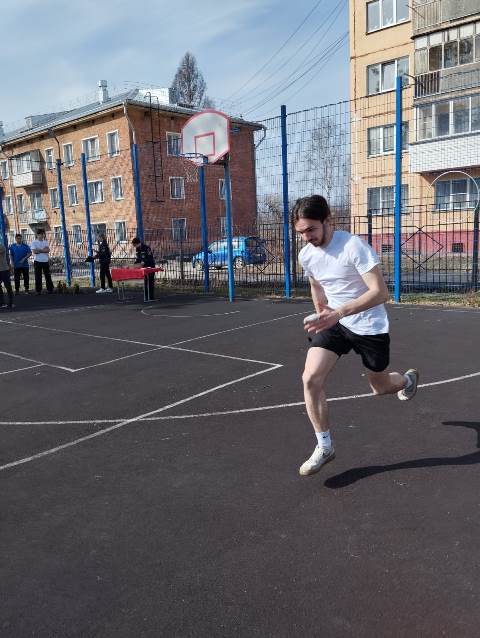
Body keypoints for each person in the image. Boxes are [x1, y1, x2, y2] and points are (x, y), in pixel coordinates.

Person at [293, 195, 419, 477]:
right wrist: (323, 313)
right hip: (335, 324)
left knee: (381, 388)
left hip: (369, 326)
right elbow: (316, 285)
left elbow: (380, 292)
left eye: (311, 229)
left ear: (328, 221)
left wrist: (339, 312)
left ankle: (407, 380)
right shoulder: (307, 255)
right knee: (310, 378)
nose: (306, 237)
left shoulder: (353, 246)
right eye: (300, 232)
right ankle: (325, 446)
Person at [31, 228, 54, 294]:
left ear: (43, 234)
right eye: (39, 234)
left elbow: (48, 250)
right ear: (37, 235)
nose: (41, 235)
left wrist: (39, 250)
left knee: (48, 275)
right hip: (37, 261)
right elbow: (34, 251)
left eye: (42, 234)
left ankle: (50, 289)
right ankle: (38, 290)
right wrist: (43, 250)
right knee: (38, 276)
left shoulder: (45, 242)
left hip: (45, 261)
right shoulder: (34, 242)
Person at [0, 239, 14, 309]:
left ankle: (11, 303)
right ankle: (2, 303)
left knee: (8, 286)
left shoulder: (2, 247)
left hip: (4, 270)